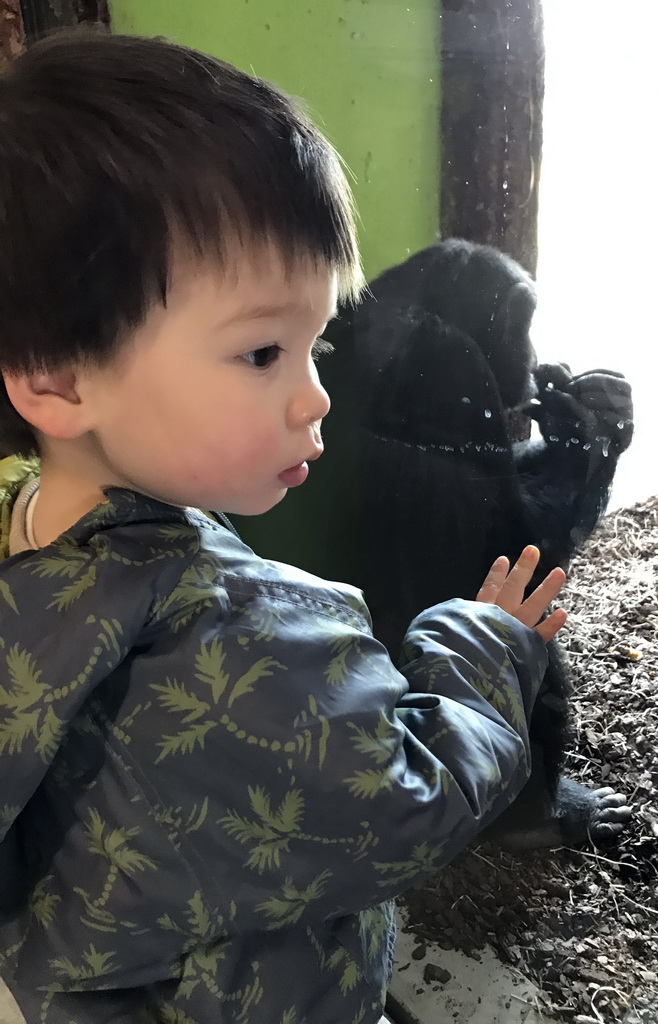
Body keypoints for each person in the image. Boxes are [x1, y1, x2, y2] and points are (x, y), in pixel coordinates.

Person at [0, 30, 567, 1024]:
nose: (315, 398)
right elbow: (413, 801)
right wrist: (483, 646)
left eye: (318, 341)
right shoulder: (241, 642)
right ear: (57, 375)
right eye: (263, 351)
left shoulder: (23, 515)